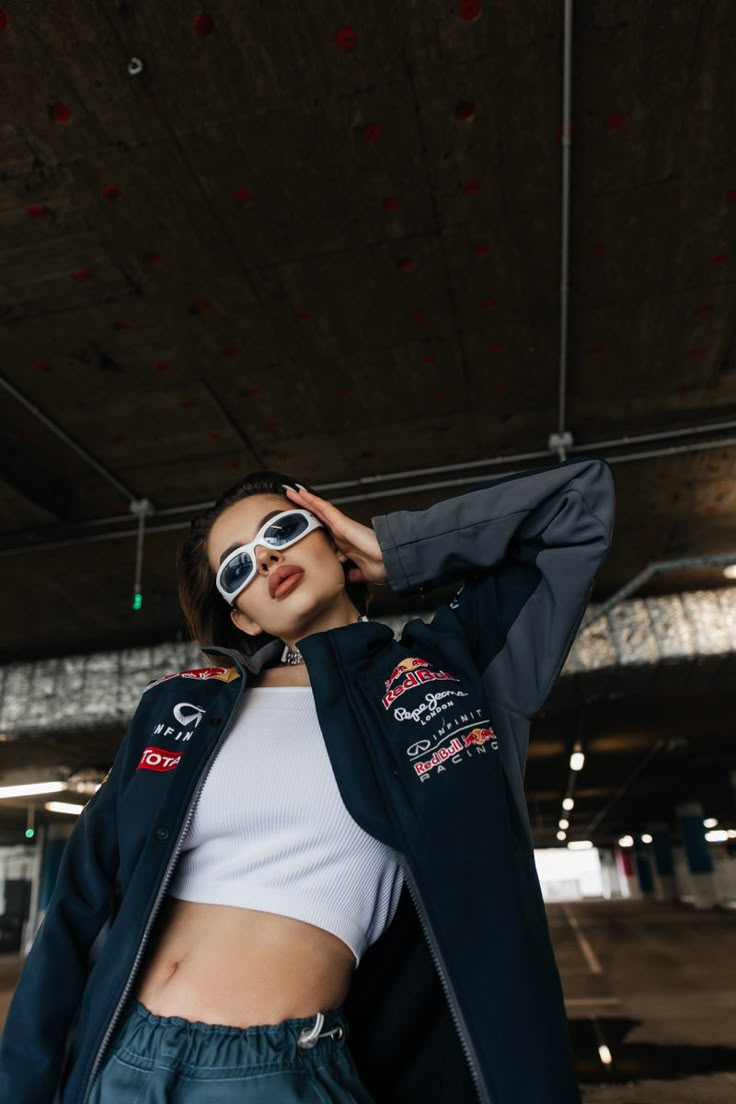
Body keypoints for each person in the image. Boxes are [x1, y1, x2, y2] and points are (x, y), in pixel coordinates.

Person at [0, 456, 616, 1104]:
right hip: (121, 1061)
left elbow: (577, 506)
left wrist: (396, 549)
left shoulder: (450, 673)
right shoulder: (180, 708)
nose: (264, 561)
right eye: (236, 567)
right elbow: (77, 907)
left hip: (278, 1074)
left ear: (331, 535)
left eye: (282, 530)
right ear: (242, 616)